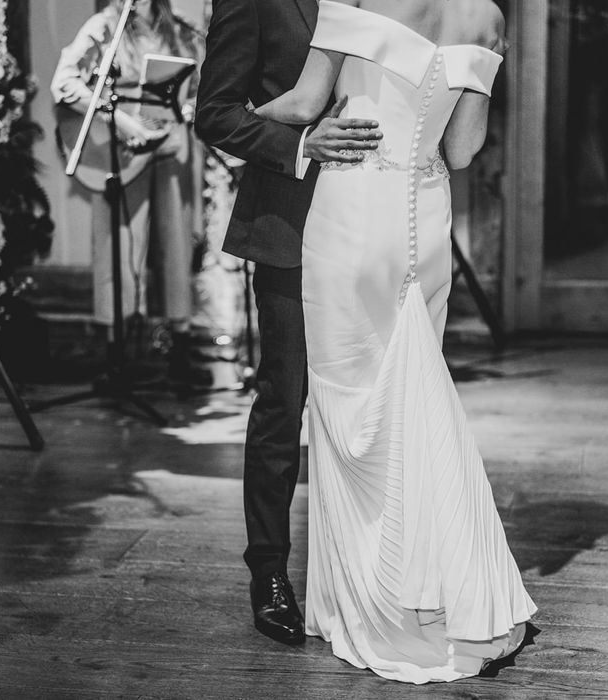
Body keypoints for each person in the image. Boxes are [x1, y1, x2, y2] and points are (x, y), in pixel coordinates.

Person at [251, 0, 536, 683]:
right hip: (426, 218)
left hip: (353, 208)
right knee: (410, 407)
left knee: (349, 409)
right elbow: (462, 150)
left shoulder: (359, 0)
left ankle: (370, 601)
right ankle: (429, 588)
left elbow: (305, 101)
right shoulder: (490, 18)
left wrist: (240, 120)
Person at [194, 0, 383, 646]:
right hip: (290, 221)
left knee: (377, 403)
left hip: (377, 224)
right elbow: (214, 113)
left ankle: (372, 567)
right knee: (285, 399)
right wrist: (302, 142)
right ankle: (270, 571)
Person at [52, 0, 205, 383]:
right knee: (117, 246)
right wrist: (117, 118)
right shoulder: (105, 25)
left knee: (177, 245)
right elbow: (64, 82)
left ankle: (180, 353)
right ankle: (114, 354)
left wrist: (189, 107)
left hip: (172, 146)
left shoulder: (183, 31)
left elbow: (202, 90)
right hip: (122, 150)